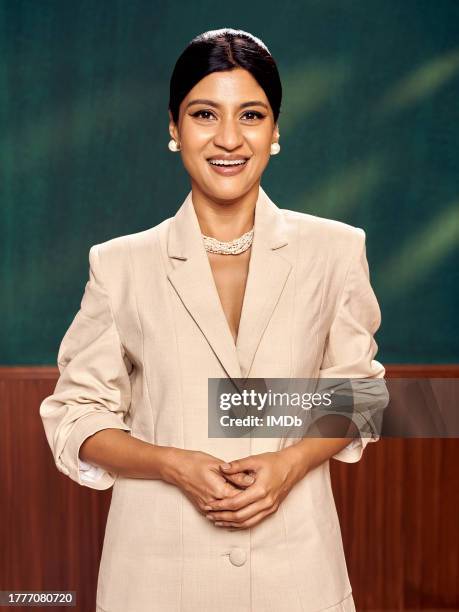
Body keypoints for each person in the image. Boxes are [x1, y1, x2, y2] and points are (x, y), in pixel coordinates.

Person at [40, 28, 386, 612]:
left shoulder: (337, 250)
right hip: (153, 578)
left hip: (296, 574)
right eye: (205, 114)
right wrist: (172, 463)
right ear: (174, 129)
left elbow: (362, 394)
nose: (229, 138)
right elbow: (75, 417)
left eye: (251, 115)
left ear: (275, 131)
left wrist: (289, 462)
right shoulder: (118, 264)